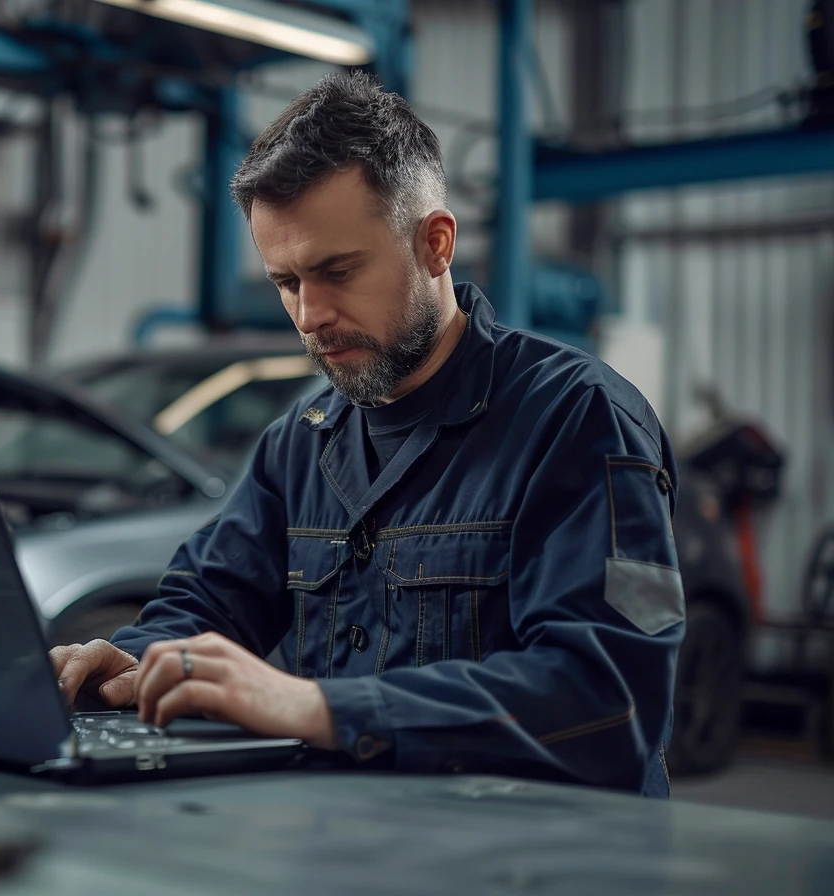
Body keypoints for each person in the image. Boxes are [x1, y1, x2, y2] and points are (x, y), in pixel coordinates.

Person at [51, 72, 683, 797]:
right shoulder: (301, 443)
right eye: (286, 282)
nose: (311, 314)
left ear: (436, 243)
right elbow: (208, 600)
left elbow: (610, 699)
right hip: (353, 844)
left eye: (337, 271)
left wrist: (316, 707)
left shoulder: (579, 417)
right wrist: (131, 661)